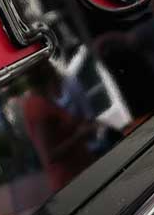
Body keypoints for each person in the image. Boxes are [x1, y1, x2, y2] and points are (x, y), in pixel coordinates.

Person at [21, 61, 97, 191]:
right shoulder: (37, 107)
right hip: (70, 181)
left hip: (81, 174)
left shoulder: (45, 102)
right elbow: (49, 155)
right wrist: (79, 136)